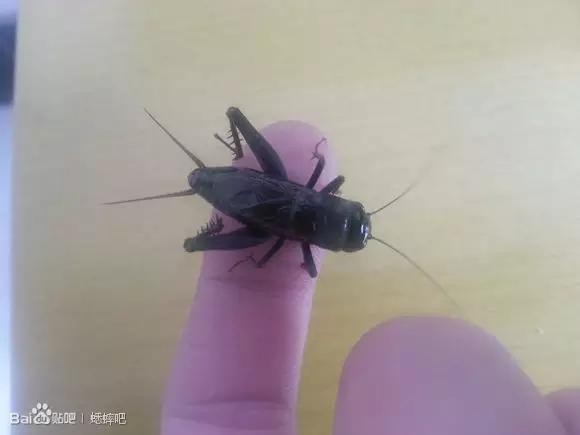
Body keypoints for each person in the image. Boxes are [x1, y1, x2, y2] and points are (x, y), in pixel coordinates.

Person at [160, 121, 580, 435]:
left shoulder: (325, 190)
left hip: (272, 190)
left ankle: (204, 223)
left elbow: (324, 175)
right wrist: (263, 258)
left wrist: (316, 165)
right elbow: (307, 266)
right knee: (215, 242)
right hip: (264, 220)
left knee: (242, 126)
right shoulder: (307, 247)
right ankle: (198, 239)